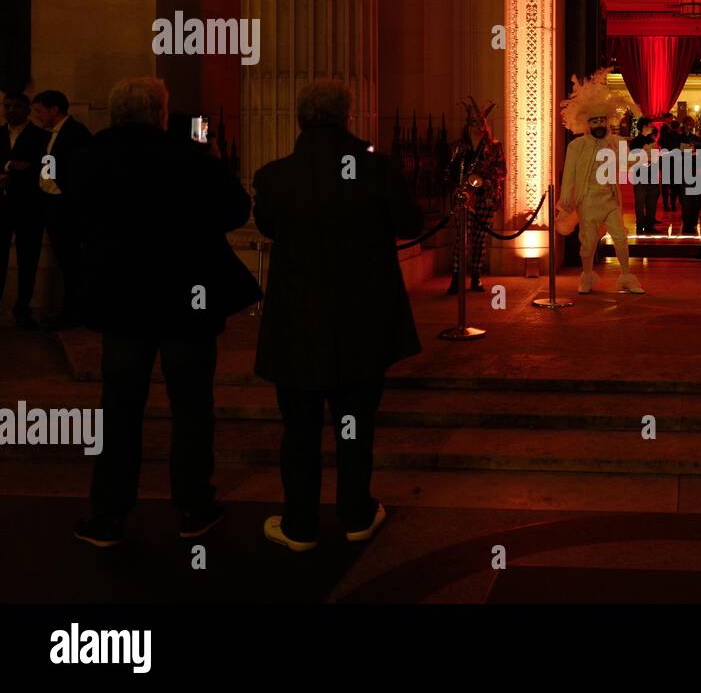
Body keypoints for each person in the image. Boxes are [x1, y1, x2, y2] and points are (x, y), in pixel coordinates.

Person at [68, 78, 260, 547]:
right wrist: (212, 161)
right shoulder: (189, 157)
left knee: (118, 410)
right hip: (185, 301)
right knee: (192, 406)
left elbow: (73, 218)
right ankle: (194, 506)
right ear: (160, 113)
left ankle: (109, 514)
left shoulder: (91, 158)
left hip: (123, 302)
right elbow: (236, 211)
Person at [253, 80, 423, 551]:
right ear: (347, 117)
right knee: (355, 424)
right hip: (362, 321)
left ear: (301, 119)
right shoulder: (376, 169)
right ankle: (355, 513)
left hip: (298, 322)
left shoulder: (274, 176)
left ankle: (300, 524)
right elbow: (410, 224)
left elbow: (267, 225)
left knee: (300, 429)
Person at [557, 70, 644, 295]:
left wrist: (646, 155)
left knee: (621, 238)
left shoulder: (613, 143)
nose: (598, 124)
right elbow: (569, 173)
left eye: (601, 120)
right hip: (587, 201)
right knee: (587, 242)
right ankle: (586, 276)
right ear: (586, 123)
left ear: (607, 121)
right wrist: (566, 195)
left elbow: (628, 161)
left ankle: (626, 277)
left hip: (610, 200)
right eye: (594, 120)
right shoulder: (576, 146)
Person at [30, 90, 93, 327]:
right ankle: (71, 310)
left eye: (39, 110)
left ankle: (75, 312)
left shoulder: (75, 134)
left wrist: (62, 195)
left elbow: (78, 174)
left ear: (54, 109)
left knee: (72, 263)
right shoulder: (51, 135)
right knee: (67, 263)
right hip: (54, 207)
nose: (37, 116)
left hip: (67, 210)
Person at [444, 96, 505, 294]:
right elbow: (449, 170)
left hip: (486, 196)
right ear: (468, 125)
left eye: (481, 123)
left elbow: (502, 169)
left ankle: (476, 278)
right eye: (474, 123)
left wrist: (488, 181)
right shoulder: (459, 148)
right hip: (465, 196)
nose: (478, 126)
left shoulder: (494, 147)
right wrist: (456, 186)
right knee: (462, 238)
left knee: (479, 239)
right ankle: (456, 277)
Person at [1, 92, 46, 328]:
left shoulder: (41, 137)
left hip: (29, 208)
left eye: (16, 107)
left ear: (27, 110)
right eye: (6, 106)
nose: (10, 111)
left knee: (28, 260)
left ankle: (22, 309)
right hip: (3, 206)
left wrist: (23, 171)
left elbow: (46, 172)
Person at [630, 116, 662, 234]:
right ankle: (640, 226)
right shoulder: (636, 141)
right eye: (650, 125)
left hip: (652, 174)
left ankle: (649, 226)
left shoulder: (651, 140)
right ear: (644, 127)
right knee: (640, 201)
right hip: (640, 175)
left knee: (652, 202)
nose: (652, 127)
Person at [678, 117, 701, 235]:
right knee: (686, 199)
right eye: (688, 123)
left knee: (695, 199)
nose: (690, 125)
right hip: (684, 170)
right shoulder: (679, 138)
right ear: (684, 124)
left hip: (695, 170)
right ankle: (687, 224)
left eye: (691, 123)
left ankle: (693, 222)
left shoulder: (696, 139)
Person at [659, 119, 682, 212]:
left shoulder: (664, 136)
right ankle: (673, 204)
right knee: (674, 186)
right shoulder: (679, 137)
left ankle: (665, 204)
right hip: (676, 162)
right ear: (678, 127)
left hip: (665, 161)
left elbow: (660, 143)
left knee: (665, 185)